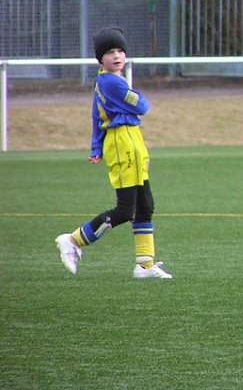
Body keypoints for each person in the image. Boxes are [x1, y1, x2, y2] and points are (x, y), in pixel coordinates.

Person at [55, 26, 172, 279]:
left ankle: (144, 264)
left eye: (120, 50)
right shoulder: (109, 82)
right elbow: (142, 105)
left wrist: (95, 147)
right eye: (109, 52)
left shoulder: (111, 80)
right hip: (122, 144)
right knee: (124, 211)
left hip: (132, 142)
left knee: (145, 205)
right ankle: (73, 240)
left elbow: (97, 114)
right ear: (100, 58)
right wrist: (132, 105)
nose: (117, 55)